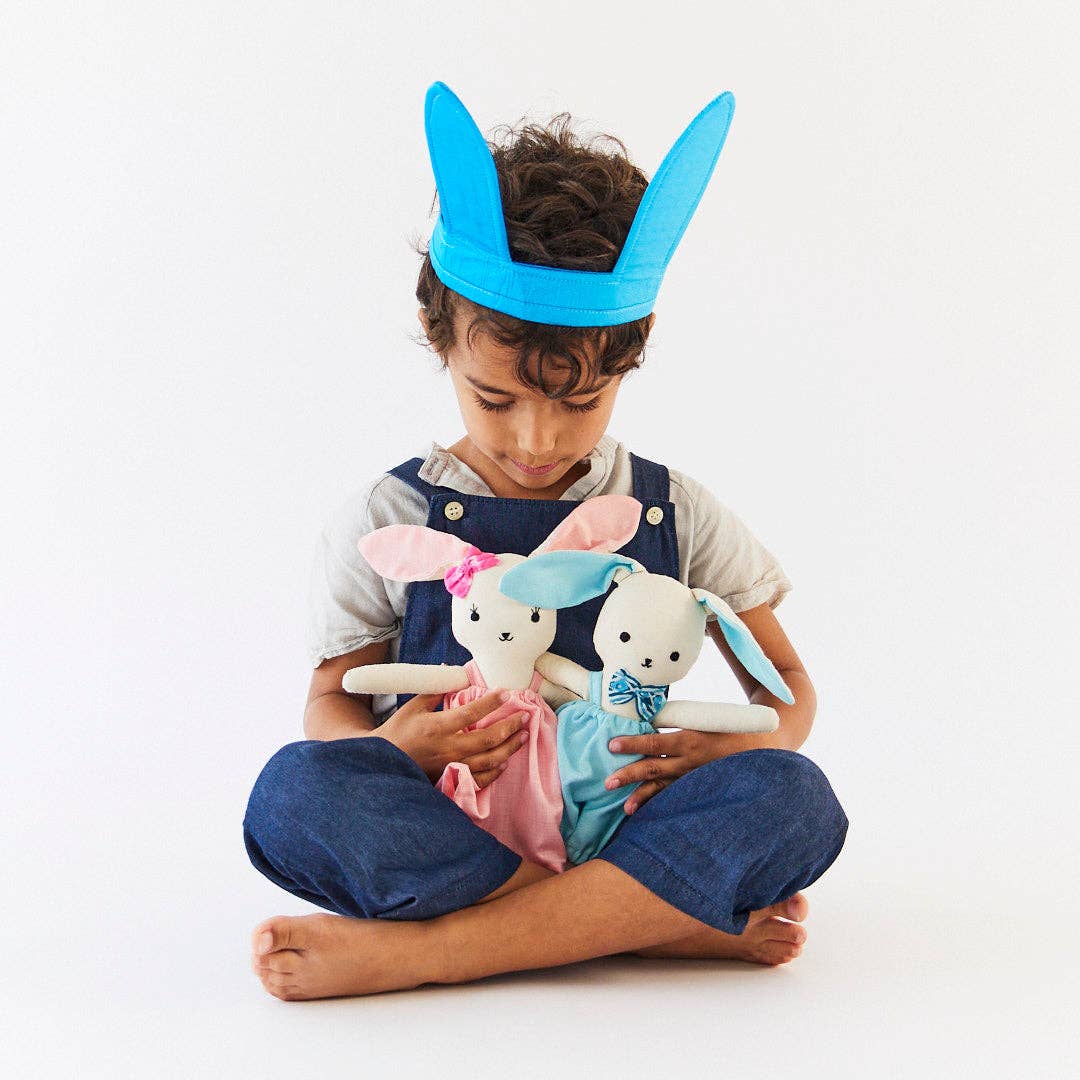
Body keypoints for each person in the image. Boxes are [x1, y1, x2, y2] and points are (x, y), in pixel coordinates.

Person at [243, 81, 849, 1001]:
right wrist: (400, 749)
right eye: (496, 399)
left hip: (625, 813)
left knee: (795, 802)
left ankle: (433, 951)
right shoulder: (386, 516)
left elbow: (789, 695)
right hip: (462, 825)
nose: (535, 440)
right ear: (438, 336)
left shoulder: (670, 508)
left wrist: (739, 751)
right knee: (295, 794)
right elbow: (331, 703)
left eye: (578, 402)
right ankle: (651, 924)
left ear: (628, 357)